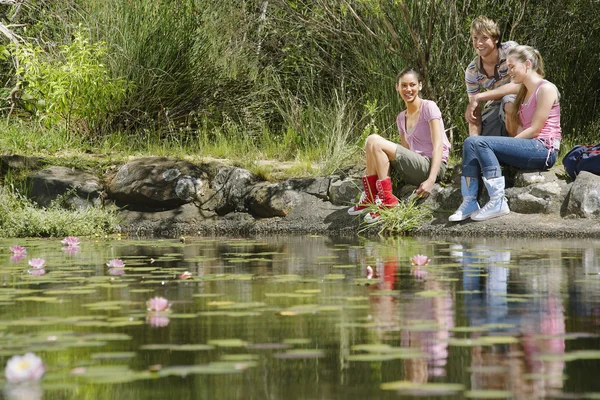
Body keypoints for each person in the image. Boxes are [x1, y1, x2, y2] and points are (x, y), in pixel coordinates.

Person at [449, 45, 562, 222]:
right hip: (530, 146)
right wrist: (476, 100)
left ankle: (497, 200)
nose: (508, 72)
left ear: (527, 64)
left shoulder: (546, 89)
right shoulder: (524, 91)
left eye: (511, 67)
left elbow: (536, 129)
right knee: (471, 142)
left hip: (544, 149)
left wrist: (509, 145)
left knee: (482, 143)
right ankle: (470, 201)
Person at [348, 67, 451, 223]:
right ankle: (371, 195)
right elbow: (405, 151)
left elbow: (438, 146)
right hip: (415, 165)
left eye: (412, 85)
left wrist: (430, 180)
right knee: (371, 140)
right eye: (404, 85)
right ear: (397, 87)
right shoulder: (400, 117)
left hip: (433, 166)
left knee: (376, 143)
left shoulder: (429, 107)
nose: (408, 89)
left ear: (420, 86)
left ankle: (388, 202)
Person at [465, 16, 520, 137]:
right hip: (494, 106)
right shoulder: (472, 71)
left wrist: (479, 97)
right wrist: (473, 142)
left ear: (495, 39)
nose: (479, 43)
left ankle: (516, 147)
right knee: (482, 142)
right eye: (475, 38)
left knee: (509, 102)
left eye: (484, 38)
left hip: (520, 99)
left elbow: (518, 85)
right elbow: (475, 113)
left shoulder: (510, 50)